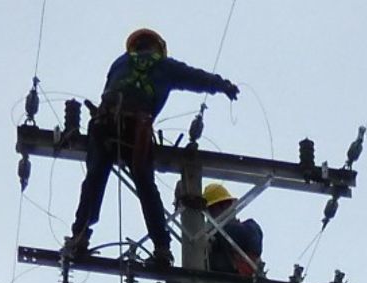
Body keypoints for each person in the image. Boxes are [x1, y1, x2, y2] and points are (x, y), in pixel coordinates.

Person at [64, 28, 240, 268]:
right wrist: (222, 86)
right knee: (146, 187)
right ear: (158, 47)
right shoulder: (165, 66)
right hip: (137, 130)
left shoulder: (120, 62)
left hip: (105, 124)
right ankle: (162, 247)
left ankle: (80, 235)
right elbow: (195, 78)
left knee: (95, 179)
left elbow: (108, 91)